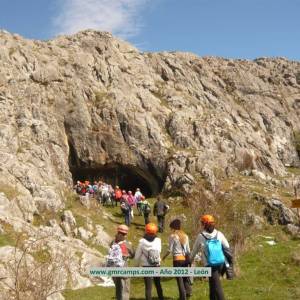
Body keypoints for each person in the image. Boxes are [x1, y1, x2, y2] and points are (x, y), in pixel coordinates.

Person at [190, 215, 232, 300]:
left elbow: (194, 250)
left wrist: (189, 261)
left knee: (217, 286)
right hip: (220, 263)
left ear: (205, 224)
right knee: (213, 285)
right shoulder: (219, 234)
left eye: (202, 223)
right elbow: (227, 246)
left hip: (209, 264)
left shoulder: (201, 236)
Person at [162, 219, 192, 299]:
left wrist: (163, 257)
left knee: (179, 279)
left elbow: (170, 250)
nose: (171, 230)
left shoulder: (173, 236)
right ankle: (188, 292)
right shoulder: (185, 236)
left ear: (173, 228)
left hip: (177, 260)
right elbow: (188, 250)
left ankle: (182, 297)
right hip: (185, 259)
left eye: (171, 228)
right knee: (185, 277)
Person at [135, 223, 164, 300]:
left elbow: (137, 256)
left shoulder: (142, 242)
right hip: (156, 265)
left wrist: (136, 265)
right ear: (155, 231)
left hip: (146, 266)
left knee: (148, 288)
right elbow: (159, 251)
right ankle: (161, 298)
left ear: (146, 231)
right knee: (158, 284)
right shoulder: (158, 240)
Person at [107, 225, 134, 300]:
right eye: (125, 234)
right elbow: (133, 255)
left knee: (118, 289)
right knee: (125, 290)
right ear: (125, 234)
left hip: (113, 269)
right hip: (123, 270)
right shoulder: (127, 244)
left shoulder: (113, 242)